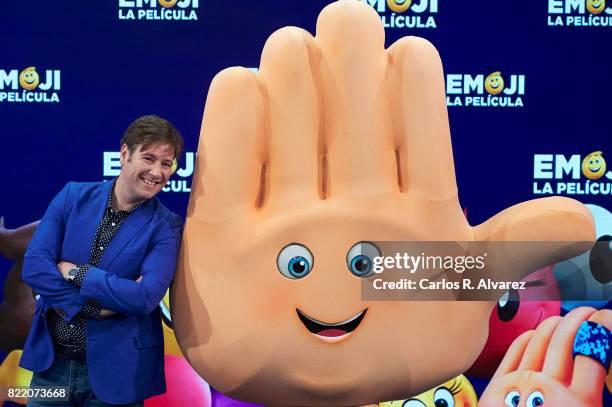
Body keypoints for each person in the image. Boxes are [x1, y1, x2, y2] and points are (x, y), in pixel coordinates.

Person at [19, 115, 184, 406]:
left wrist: (78, 273)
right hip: (50, 369)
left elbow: (144, 297)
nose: (157, 172)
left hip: (118, 374)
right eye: (149, 158)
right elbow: (34, 266)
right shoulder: (73, 196)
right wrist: (92, 308)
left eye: (166, 163)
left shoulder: (166, 225)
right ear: (124, 154)